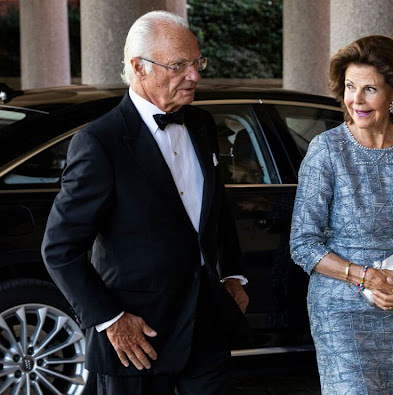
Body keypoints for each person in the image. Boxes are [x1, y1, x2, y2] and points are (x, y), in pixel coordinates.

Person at [41, 11, 249, 395]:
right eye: (179, 66)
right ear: (138, 67)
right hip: (137, 339)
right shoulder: (100, 142)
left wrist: (233, 275)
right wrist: (111, 320)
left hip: (206, 325)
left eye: (197, 63)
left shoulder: (202, 125)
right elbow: (59, 250)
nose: (195, 76)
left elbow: (216, 211)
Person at [290, 35, 393, 394]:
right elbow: (303, 244)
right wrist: (364, 277)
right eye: (349, 87)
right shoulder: (326, 150)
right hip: (341, 311)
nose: (355, 100)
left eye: (369, 89)